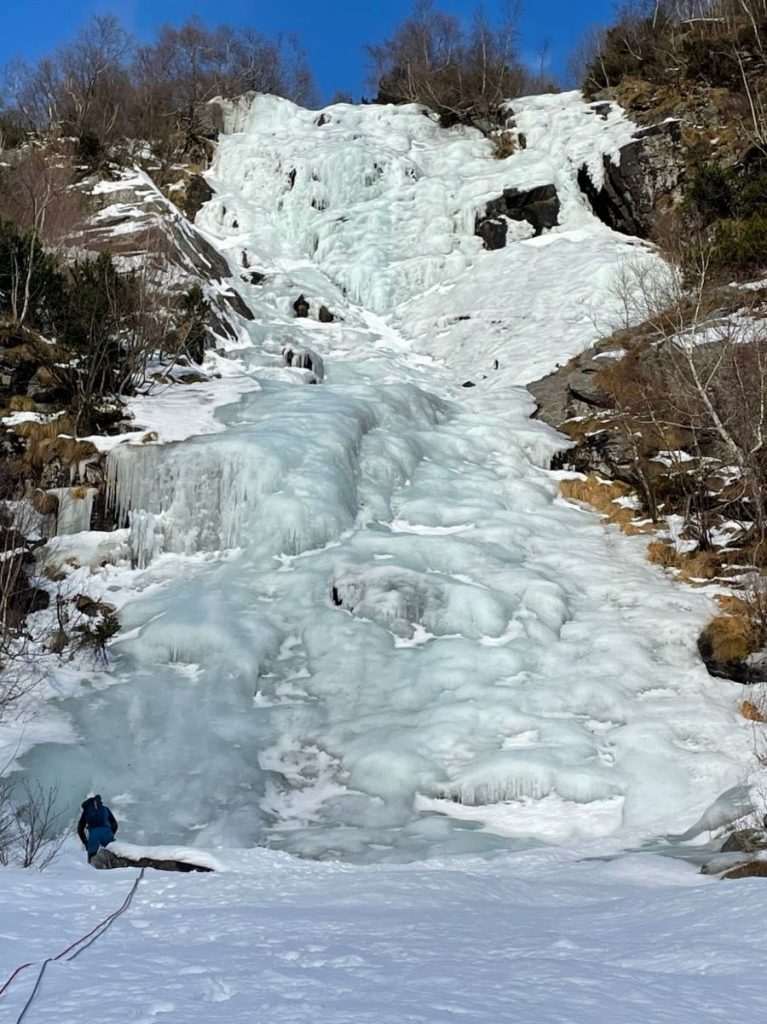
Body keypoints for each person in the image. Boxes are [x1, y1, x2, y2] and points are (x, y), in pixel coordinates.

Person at [77, 793, 118, 863]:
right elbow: (115, 824)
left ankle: (91, 870)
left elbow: (80, 829)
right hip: (107, 832)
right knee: (112, 854)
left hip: (93, 835)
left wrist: (86, 842)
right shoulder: (105, 809)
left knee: (92, 859)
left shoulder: (86, 811)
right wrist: (111, 834)